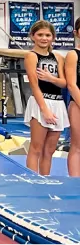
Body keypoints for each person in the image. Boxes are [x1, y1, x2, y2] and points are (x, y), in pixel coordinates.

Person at [23, 19, 68, 175]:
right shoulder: (31, 56)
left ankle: (45, 181)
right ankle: (32, 181)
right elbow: (34, 85)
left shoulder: (58, 57)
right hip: (40, 102)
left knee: (49, 150)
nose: (44, 38)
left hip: (57, 102)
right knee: (36, 147)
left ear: (53, 37)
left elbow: (63, 83)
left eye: (48, 35)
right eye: (40, 34)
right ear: (33, 36)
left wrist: (50, 78)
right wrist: (45, 110)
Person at [63, 19, 80, 176]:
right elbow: (71, 84)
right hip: (77, 103)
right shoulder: (73, 55)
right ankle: (75, 181)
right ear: (76, 33)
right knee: (77, 145)